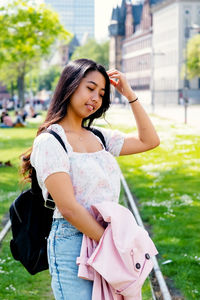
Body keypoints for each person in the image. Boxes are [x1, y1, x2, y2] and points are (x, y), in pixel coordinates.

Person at [21, 59, 160, 300]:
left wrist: (130, 95)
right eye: (90, 88)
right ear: (70, 85)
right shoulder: (50, 141)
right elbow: (68, 208)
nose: (95, 97)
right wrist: (113, 245)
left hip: (106, 236)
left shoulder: (99, 137)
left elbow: (149, 141)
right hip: (73, 241)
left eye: (102, 93)